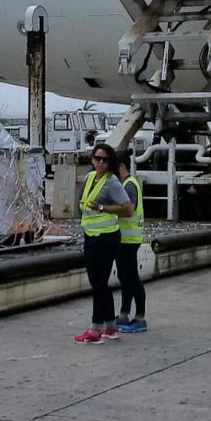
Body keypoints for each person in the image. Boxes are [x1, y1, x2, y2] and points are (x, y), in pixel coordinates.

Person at [74, 143, 134, 345]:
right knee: (99, 282)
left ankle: (95, 328)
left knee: (98, 283)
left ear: (110, 162)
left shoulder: (112, 182)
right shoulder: (91, 177)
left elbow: (128, 209)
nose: (100, 162)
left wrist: (101, 207)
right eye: (97, 158)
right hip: (92, 235)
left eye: (105, 159)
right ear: (92, 159)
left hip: (106, 237)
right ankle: (110, 326)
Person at [114, 153, 147, 333]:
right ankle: (124, 313)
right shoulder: (126, 184)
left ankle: (140, 316)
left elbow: (128, 210)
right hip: (124, 239)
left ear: (121, 166)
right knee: (124, 276)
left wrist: (104, 209)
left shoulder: (129, 186)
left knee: (131, 277)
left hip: (129, 239)